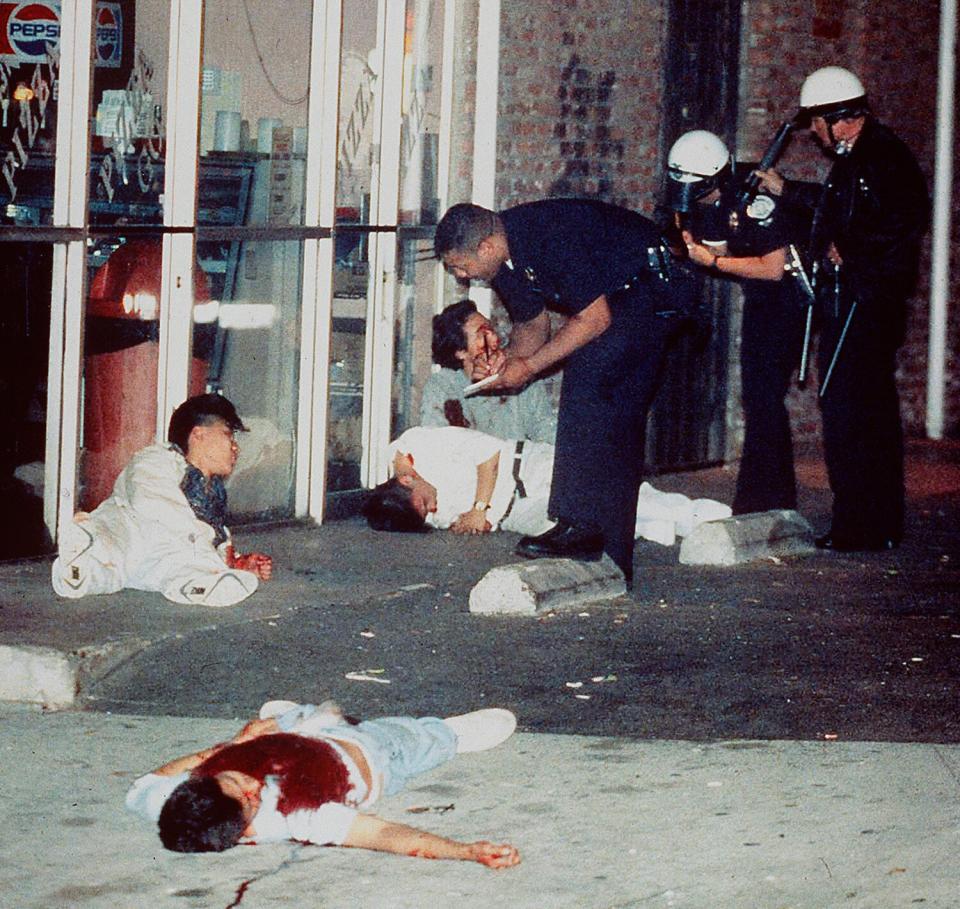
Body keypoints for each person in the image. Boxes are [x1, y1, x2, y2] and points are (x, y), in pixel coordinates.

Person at [434, 199, 688, 584]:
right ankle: (606, 549)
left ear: (485, 246)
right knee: (606, 405)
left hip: (649, 288)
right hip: (620, 299)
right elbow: (532, 326)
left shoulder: (548, 237)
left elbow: (595, 319)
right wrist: (504, 365)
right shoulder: (503, 260)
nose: (462, 276)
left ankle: (581, 527)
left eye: (460, 266)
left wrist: (530, 367)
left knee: (589, 378)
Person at [755, 67, 930, 551]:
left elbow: (905, 216)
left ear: (842, 119)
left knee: (849, 409)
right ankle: (876, 522)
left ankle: (860, 524)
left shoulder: (882, 158)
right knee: (865, 410)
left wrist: (851, 248)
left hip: (865, 301)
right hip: (860, 300)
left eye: (818, 122)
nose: (814, 132)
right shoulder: (864, 156)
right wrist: (787, 190)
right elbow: (839, 207)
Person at [125, 698, 521, 869]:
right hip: (373, 752)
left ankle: (301, 718)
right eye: (249, 799)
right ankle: (449, 735)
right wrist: (465, 851)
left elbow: (148, 781)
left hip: (299, 735)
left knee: (288, 720)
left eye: (228, 778)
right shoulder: (299, 818)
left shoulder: (168, 802)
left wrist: (220, 751)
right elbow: (384, 833)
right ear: (244, 829)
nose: (253, 785)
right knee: (413, 739)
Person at [666, 129, 806, 514]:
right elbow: (720, 244)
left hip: (788, 297)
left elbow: (774, 268)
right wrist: (693, 245)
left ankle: (770, 499)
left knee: (764, 398)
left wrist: (711, 261)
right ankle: (761, 496)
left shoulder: (754, 197)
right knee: (758, 398)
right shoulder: (705, 201)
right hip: (761, 299)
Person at [51, 393, 272, 606]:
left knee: (157, 570)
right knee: (111, 560)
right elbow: (157, 506)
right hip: (129, 534)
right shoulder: (157, 459)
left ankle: (198, 586)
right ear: (198, 435)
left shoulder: (213, 491)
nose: (236, 447)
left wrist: (235, 561)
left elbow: (212, 535)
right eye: (228, 434)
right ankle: (80, 562)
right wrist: (212, 560)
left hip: (157, 559)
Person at [363, 426, 730, 547]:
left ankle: (698, 515)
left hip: (527, 470)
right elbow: (464, 521)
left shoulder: (418, 442)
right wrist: (479, 519)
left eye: (425, 503)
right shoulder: (410, 502)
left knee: (605, 493)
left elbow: (487, 453)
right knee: (576, 529)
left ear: (407, 479)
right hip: (516, 512)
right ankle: (652, 528)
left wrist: (478, 509)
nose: (432, 509)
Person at [421, 299, 557, 443]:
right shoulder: (442, 386)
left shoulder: (521, 376)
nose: (495, 338)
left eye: (492, 330)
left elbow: (547, 433)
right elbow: (436, 443)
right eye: (483, 335)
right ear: (460, 351)